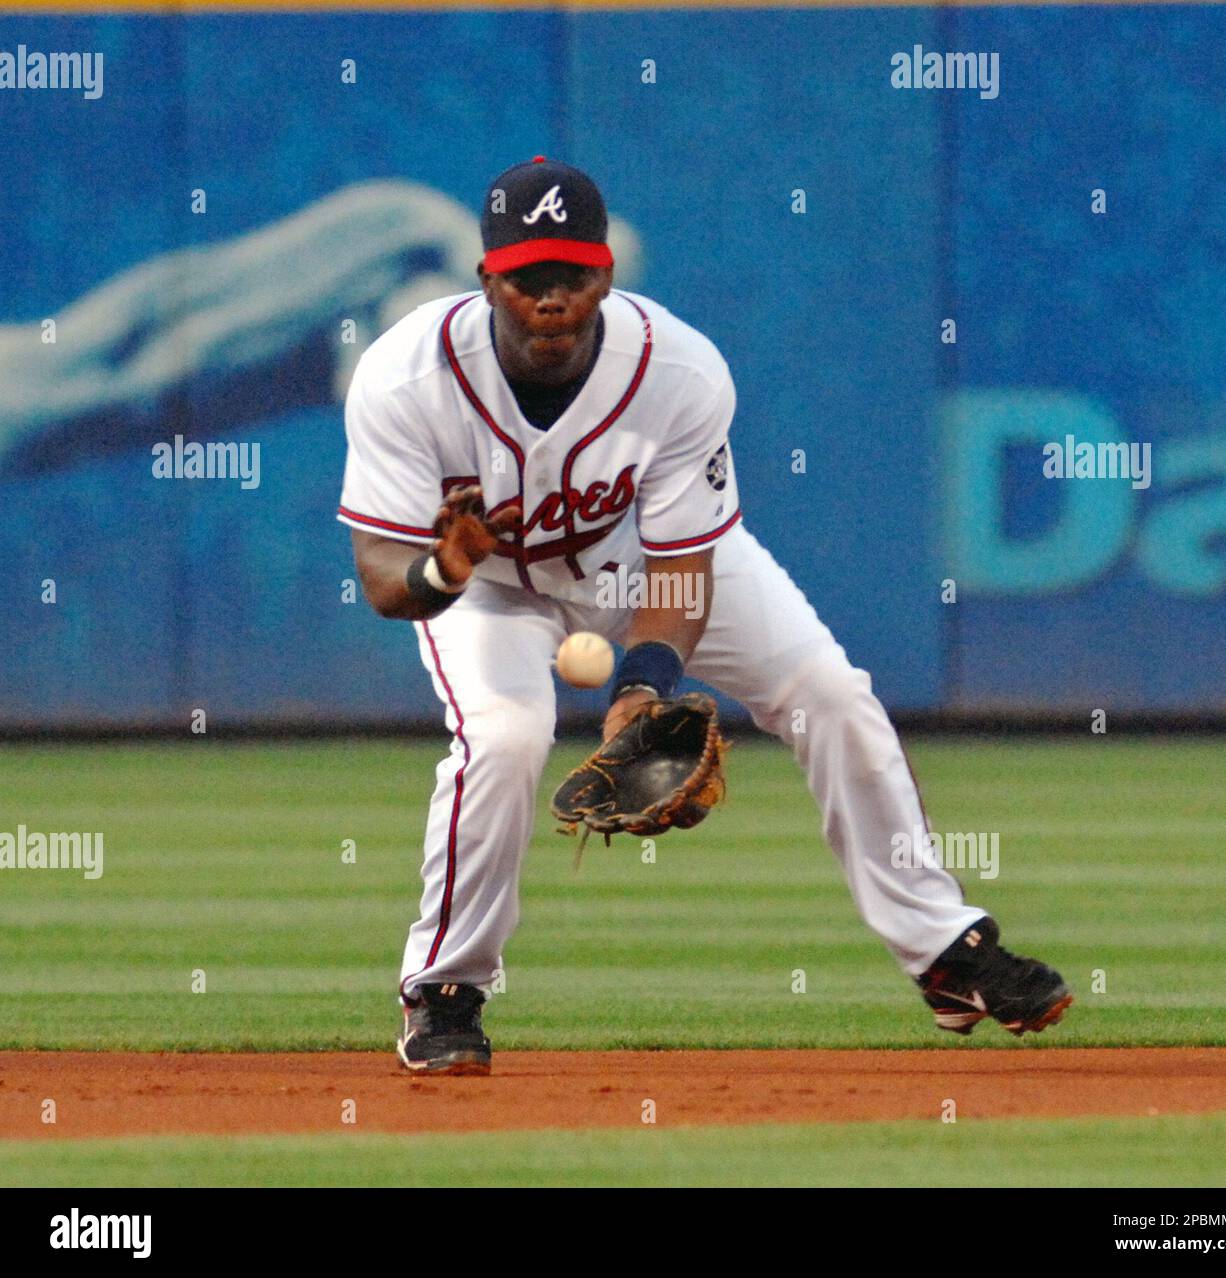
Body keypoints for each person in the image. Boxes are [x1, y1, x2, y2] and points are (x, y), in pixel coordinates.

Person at [338, 157, 1072, 1074]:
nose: (552, 299)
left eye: (572, 275)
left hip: (638, 565)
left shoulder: (676, 369)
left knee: (830, 694)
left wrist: (644, 687)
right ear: (488, 280)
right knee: (506, 736)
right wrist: (442, 571)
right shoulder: (406, 377)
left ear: (605, 273)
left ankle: (945, 955)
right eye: (529, 279)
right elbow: (379, 580)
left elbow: (684, 559)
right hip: (489, 591)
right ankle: (445, 990)